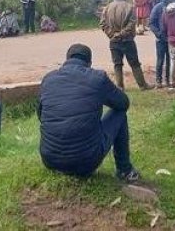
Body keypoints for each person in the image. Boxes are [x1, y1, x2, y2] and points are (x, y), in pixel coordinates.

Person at [38, 44, 140, 181]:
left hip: (49, 159)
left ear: (66, 59)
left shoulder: (48, 79)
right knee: (120, 114)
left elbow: (41, 114)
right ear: (89, 63)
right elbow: (123, 103)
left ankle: (61, 154)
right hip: (86, 162)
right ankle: (124, 170)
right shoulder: (98, 78)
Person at [100, 0, 153, 90]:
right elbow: (132, 23)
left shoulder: (107, 8)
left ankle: (120, 87)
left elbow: (102, 24)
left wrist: (112, 34)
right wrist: (121, 34)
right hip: (127, 40)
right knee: (135, 64)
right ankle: (142, 85)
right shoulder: (130, 7)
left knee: (117, 64)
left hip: (113, 41)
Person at [149, 0, 174, 88]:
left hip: (171, 39)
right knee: (160, 60)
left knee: (169, 60)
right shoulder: (158, 7)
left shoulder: (174, 8)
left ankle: (167, 80)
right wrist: (158, 34)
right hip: (160, 39)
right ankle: (158, 81)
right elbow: (151, 23)